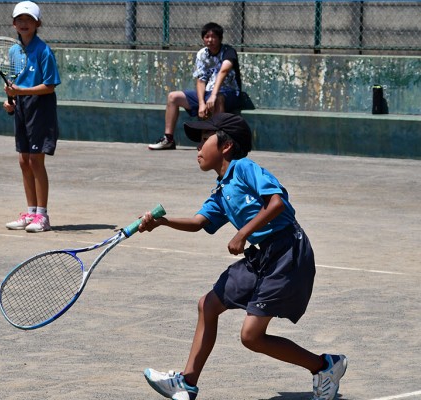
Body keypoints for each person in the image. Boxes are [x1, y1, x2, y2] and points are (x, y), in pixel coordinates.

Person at [138, 113, 348, 400]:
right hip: (263, 256)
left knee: (251, 337)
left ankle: (325, 366)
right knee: (208, 304)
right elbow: (200, 222)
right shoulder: (222, 190)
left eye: (203, 141)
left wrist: (242, 233)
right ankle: (187, 383)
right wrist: (162, 222)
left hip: (288, 252)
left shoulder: (245, 169)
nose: (197, 150)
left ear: (225, 146)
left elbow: (277, 203)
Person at [3, 1, 61, 233]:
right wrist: (10, 100)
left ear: (38, 23)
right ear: (13, 23)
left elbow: (49, 86)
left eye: (28, 19)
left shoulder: (43, 51)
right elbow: (13, 81)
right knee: (23, 160)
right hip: (22, 106)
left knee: (36, 160)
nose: (23, 23)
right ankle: (30, 212)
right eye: (19, 19)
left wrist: (21, 92)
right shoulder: (13, 50)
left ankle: (42, 216)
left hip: (40, 106)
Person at [148, 23, 242, 150]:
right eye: (207, 37)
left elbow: (223, 71)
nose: (210, 40)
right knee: (173, 97)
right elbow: (201, 80)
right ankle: (168, 139)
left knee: (218, 98)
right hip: (208, 93)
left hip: (229, 93)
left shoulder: (229, 51)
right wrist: (202, 103)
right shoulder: (202, 54)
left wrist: (213, 96)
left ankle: (216, 141)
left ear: (220, 38)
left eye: (214, 37)